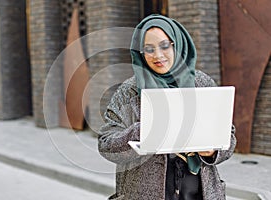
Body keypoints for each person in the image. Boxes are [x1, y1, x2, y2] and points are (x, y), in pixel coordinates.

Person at [98, 14, 236, 200]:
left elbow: (229, 136)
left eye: (164, 46)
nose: (158, 55)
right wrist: (142, 131)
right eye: (149, 49)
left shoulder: (202, 84)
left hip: (198, 193)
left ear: (177, 44)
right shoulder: (129, 91)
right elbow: (106, 145)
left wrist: (212, 151)